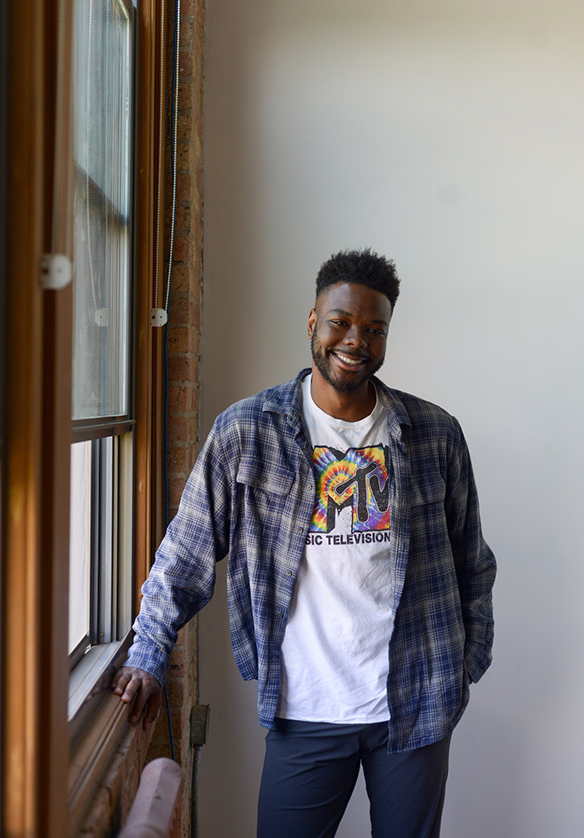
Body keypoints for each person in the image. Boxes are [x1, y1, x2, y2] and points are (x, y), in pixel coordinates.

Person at [112, 248, 496, 838]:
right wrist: (147, 652)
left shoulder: (434, 434)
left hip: (415, 702)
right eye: (341, 321)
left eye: (374, 329)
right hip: (306, 707)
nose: (356, 340)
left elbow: (473, 560)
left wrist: (465, 665)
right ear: (313, 322)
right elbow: (185, 554)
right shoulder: (247, 431)